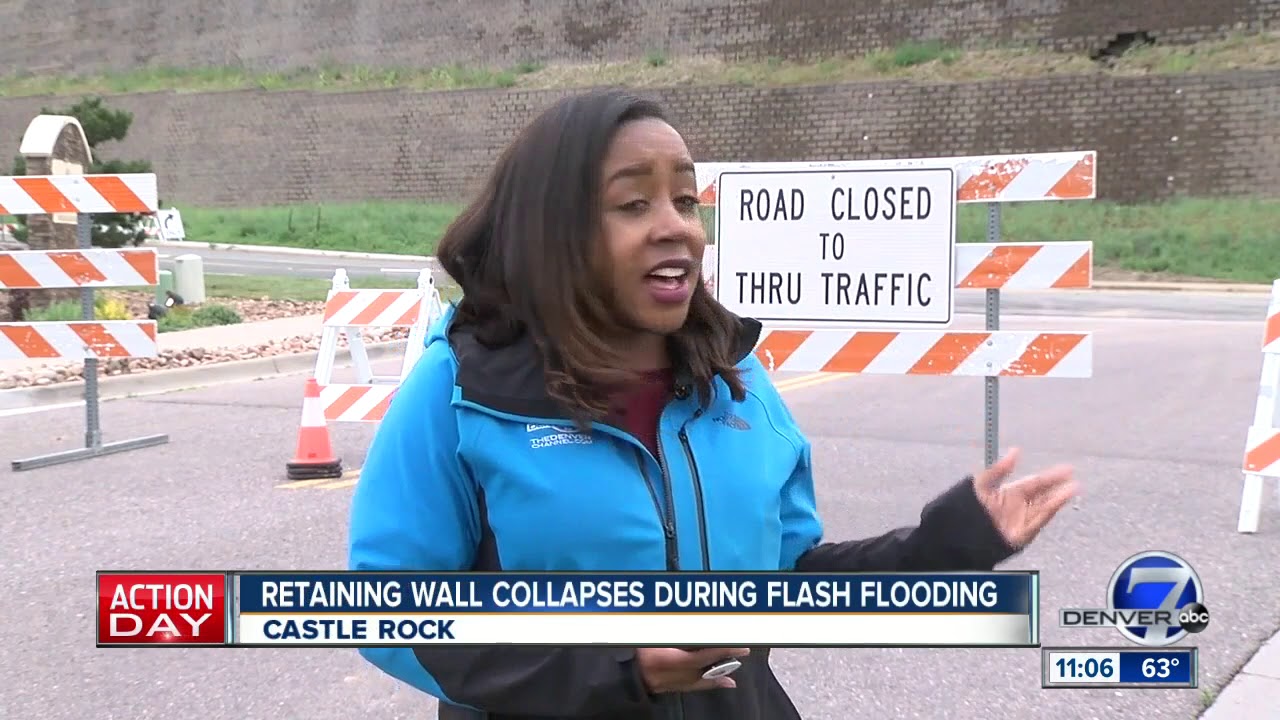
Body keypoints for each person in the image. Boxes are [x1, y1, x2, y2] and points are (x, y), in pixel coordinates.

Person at [347, 88, 1079, 720]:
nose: (676, 226)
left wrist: (943, 551)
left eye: (687, 200)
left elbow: (785, 580)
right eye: (633, 204)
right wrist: (620, 670)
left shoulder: (735, 378)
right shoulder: (462, 389)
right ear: (553, 231)